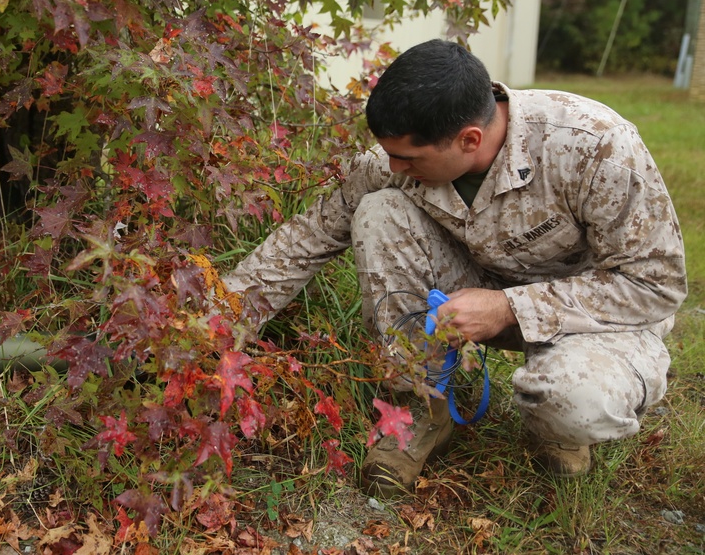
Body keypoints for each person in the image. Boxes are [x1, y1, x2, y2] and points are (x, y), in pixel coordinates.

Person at [221, 39, 686, 496]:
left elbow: (655, 284)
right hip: (475, 294)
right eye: (388, 152)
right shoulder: (398, 163)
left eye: (408, 157)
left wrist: (508, 307)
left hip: (595, 318)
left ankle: (560, 428)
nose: (393, 166)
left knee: (575, 402)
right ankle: (422, 406)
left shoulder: (594, 145)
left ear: (470, 139)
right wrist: (214, 327)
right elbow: (304, 240)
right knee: (378, 211)